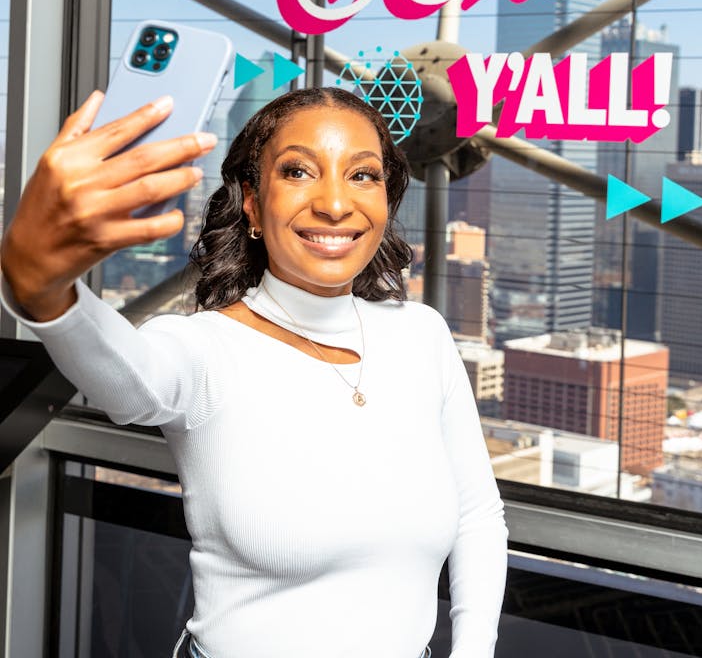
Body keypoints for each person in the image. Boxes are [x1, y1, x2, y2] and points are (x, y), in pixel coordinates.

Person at [0, 86, 509, 658]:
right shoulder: (204, 349)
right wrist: (41, 289)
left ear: (387, 200)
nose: (336, 204)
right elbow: (128, 380)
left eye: (363, 175)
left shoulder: (422, 334)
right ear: (250, 202)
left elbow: (477, 515)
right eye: (298, 171)